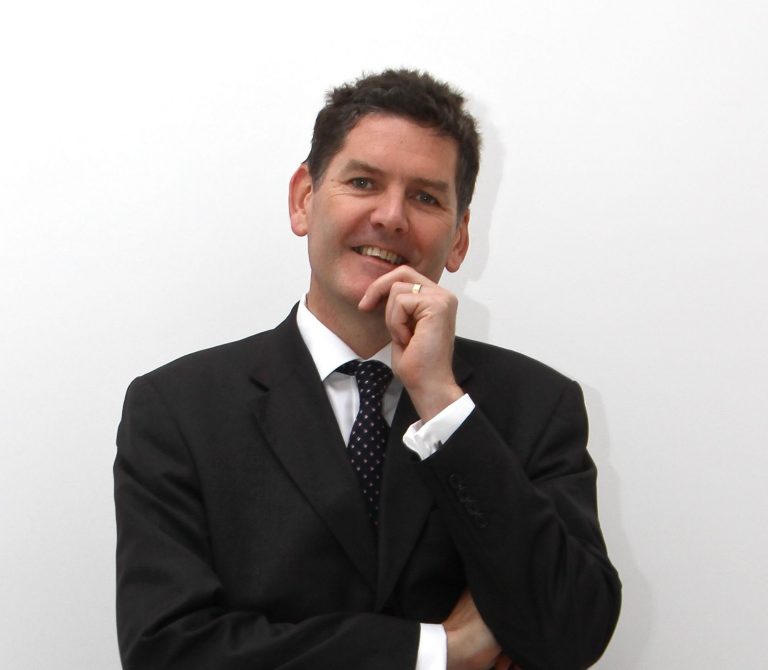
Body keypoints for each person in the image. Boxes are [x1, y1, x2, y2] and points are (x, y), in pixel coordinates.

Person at [114, 69, 621, 670]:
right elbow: (167, 652)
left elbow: (571, 632)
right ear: (304, 199)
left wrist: (441, 402)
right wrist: (438, 652)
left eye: (426, 198)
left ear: (460, 238)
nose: (392, 217)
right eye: (363, 182)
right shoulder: (176, 409)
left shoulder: (537, 406)